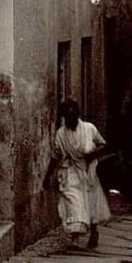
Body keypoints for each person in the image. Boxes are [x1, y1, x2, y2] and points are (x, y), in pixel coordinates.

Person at [43, 99, 110, 249]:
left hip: (88, 171)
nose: (70, 118)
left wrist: (92, 154)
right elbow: (55, 156)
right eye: (66, 116)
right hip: (71, 171)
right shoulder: (60, 134)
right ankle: (75, 238)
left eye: (72, 115)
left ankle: (94, 232)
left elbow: (103, 145)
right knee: (74, 203)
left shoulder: (89, 129)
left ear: (78, 115)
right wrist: (48, 176)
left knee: (91, 203)